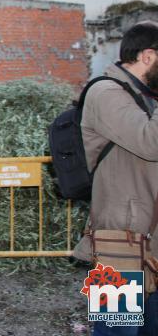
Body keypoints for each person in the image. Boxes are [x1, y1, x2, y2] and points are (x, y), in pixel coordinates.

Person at [73, 21, 158, 335]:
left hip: (149, 237)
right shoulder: (105, 92)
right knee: (116, 329)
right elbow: (151, 143)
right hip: (117, 239)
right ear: (148, 56)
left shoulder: (147, 96)